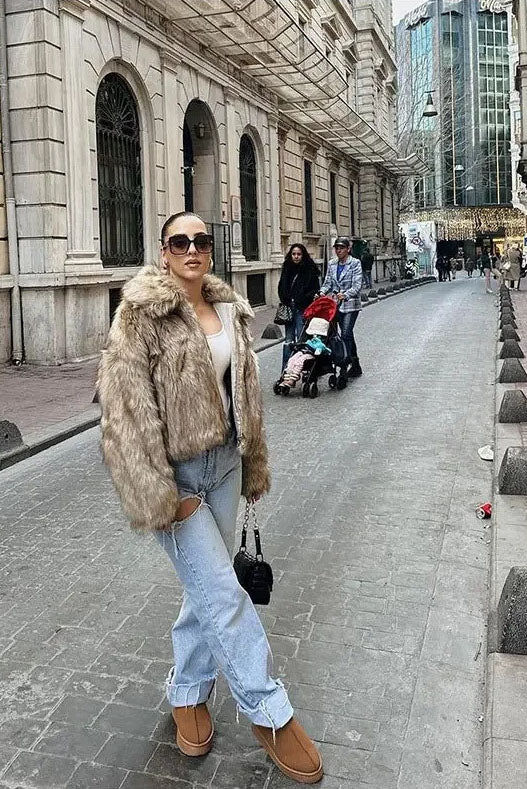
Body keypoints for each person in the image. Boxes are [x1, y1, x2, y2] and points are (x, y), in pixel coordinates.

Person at [97, 211, 323, 785]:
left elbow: (244, 394)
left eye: (201, 240)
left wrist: (251, 462)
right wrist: (159, 492)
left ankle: (188, 691)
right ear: (164, 251)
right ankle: (269, 711)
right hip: (175, 479)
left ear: (210, 251)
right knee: (225, 596)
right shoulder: (141, 315)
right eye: (180, 241)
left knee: (204, 591)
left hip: (224, 468)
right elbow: (125, 409)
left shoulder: (229, 310)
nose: (192, 249)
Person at [320, 236, 362, 377]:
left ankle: (344, 365)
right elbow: (327, 283)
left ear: (348, 249)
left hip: (350, 305)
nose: (339, 250)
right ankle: (355, 364)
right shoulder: (332, 264)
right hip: (335, 305)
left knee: (345, 334)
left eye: (342, 248)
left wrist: (345, 294)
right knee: (342, 334)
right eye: (337, 248)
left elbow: (357, 285)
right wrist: (321, 292)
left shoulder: (355, 263)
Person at [278, 244, 320, 369]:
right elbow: (281, 286)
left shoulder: (310, 269)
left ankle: (301, 368)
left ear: (303, 255)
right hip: (289, 308)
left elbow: (315, 289)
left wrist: (303, 299)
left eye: (299, 254)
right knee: (288, 340)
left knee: (302, 339)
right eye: (294, 254)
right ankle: (286, 370)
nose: (296, 256)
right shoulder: (287, 267)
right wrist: (285, 298)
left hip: (302, 309)